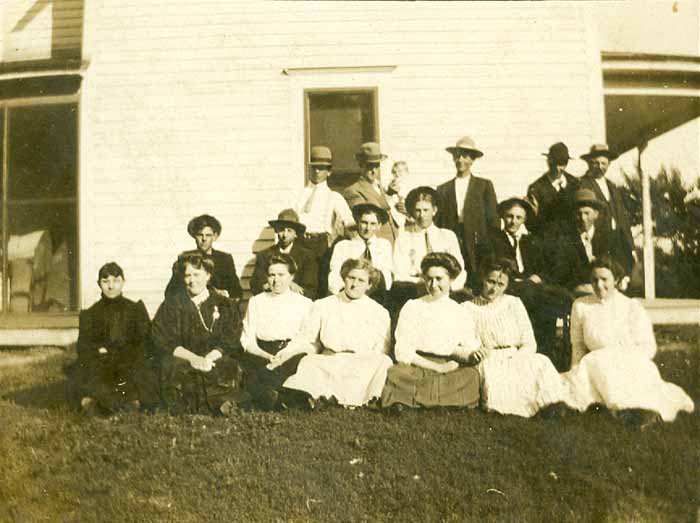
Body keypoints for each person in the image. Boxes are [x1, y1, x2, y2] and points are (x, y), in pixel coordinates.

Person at [564, 256, 694, 425]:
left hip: (630, 360)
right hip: (595, 362)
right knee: (598, 379)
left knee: (642, 386)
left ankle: (643, 412)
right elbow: (579, 346)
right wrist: (575, 369)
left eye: (604, 279)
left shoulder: (631, 306)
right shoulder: (581, 306)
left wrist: (628, 360)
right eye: (594, 280)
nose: (598, 285)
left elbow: (648, 346)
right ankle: (628, 411)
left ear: (616, 280)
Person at [268, 258, 392, 407]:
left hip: (361, 363)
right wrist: (286, 354)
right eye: (351, 278)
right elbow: (308, 339)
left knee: (383, 362)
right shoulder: (323, 305)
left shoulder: (378, 312)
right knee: (309, 362)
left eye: (361, 280)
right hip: (331, 361)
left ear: (369, 285)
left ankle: (368, 398)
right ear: (343, 278)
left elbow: (382, 348)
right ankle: (305, 397)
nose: (354, 284)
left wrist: (364, 359)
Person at [463, 258, 573, 417]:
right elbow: (468, 341)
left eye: (500, 285)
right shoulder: (468, 308)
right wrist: (476, 352)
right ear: (482, 278)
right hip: (490, 358)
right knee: (498, 378)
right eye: (490, 281)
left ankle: (552, 405)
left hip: (517, 355)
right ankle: (525, 407)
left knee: (541, 361)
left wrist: (517, 359)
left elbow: (529, 341)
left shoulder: (513, 303)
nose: (494, 289)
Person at [381, 252, 481, 409]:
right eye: (429, 278)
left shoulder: (460, 311)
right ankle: (445, 400)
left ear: (451, 279)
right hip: (417, 364)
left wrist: (472, 355)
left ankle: (412, 398)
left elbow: (469, 346)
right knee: (396, 374)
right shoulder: (412, 306)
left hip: (449, 365)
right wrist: (436, 368)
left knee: (471, 376)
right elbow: (403, 351)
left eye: (439, 279)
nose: (433, 285)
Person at [480, 197, 571, 365]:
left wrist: (538, 276)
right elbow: (493, 265)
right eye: (509, 216)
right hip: (508, 285)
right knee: (531, 295)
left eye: (518, 217)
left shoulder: (531, 240)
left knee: (551, 299)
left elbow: (545, 265)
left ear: (524, 220)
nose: (513, 221)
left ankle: (544, 351)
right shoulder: (494, 238)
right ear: (503, 217)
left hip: (532, 286)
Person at [153, 251, 244, 415]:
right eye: (187, 275)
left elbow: (230, 338)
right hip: (184, 357)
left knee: (225, 367)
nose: (192, 280)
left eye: (197, 274)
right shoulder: (172, 305)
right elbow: (164, 340)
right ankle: (197, 406)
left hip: (214, 357)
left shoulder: (224, 304)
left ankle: (221, 404)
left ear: (208, 275)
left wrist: (208, 358)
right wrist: (194, 358)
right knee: (175, 369)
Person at [66, 262, 157, 414]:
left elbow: (145, 341)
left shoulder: (135, 309)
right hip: (103, 362)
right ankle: (104, 402)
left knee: (144, 370)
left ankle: (128, 401)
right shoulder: (90, 314)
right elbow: (84, 346)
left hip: (130, 361)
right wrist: (99, 351)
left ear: (123, 282)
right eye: (105, 281)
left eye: (116, 281)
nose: (111, 286)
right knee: (84, 371)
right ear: (99, 284)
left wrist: (126, 353)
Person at [240, 253, 313, 410]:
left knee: (270, 375)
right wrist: (265, 355)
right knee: (252, 372)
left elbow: (306, 338)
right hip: (262, 351)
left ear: (291, 276)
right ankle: (289, 399)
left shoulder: (304, 303)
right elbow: (247, 339)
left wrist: (285, 355)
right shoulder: (256, 302)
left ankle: (264, 397)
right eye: (272, 275)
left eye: (281, 274)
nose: (276, 280)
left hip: (291, 352)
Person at [391, 186, 468, 313]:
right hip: (415, 293)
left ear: (434, 210)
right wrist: (422, 283)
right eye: (418, 210)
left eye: (426, 210)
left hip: (446, 293)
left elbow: (460, 270)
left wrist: (449, 288)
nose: (422, 215)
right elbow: (399, 273)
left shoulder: (447, 236)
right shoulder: (404, 237)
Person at [435, 136, 499, 285]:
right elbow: (438, 220)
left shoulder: (484, 186)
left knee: (477, 277)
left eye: (465, 156)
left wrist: (490, 244)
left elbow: (493, 219)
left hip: (478, 240)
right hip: (453, 237)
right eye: (457, 156)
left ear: (472, 160)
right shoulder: (443, 189)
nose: (460, 160)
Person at [294, 146, 355, 296]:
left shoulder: (334, 196)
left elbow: (350, 223)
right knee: (300, 284)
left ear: (329, 172)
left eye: (321, 169)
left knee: (319, 284)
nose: (316, 172)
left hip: (320, 245)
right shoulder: (299, 194)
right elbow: (291, 218)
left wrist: (339, 239)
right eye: (314, 168)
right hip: (300, 242)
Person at [550, 188, 632, 297]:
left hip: (608, 293)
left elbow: (623, 264)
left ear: (596, 214)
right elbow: (562, 273)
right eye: (579, 214)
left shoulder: (610, 237)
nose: (583, 218)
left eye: (587, 213)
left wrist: (622, 279)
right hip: (576, 294)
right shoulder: (564, 241)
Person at [579, 144, 635, 269]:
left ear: (609, 164)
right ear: (589, 163)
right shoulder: (584, 184)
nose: (600, 167)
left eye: (604, 163)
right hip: (597, 241)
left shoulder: (613, 187)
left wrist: (631, 247)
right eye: (596, 163)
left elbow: (622, 218)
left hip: (617, 242)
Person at [164, 214, 242, 301]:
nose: (204, 239)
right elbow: (171, 292)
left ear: (215, 236)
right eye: (200, 235)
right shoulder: (185, 259)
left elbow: (237, 291)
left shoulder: (224, 260)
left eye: (208, 235)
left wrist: (225, 293)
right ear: (194, 236)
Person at [328, 203, 393, 302]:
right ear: (357, 223)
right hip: (348, 293)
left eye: (373, 224)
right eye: (364, 222)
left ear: (379, 226)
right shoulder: (344, 246)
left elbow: (387, 274)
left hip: (376, 295)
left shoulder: (384, 245)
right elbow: (335, 273)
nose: (367, 228)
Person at [250, 209, 318, 299]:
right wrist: (284, 284)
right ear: (276, 231)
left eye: (289, 230)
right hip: (271, 302)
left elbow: (311, 290)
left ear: (296, 234)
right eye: (281, 230)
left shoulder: (307, 257)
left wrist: (297, 289)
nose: (285, 235)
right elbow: (256, 286)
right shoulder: (264, 256)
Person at [342, 142, 398, 243]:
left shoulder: (380, 187)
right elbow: (368, 213)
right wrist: (389, 196)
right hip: (374, 242)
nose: (373, 170)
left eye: (376, 166)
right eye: (369, 166)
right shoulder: (353, 190)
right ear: (361, 165)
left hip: (393, 239)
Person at [526, 142, 580, 241]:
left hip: (572, 241)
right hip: (548, 242)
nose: (558, 168)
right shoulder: (536, 188)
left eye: (562, 164)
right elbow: (531, 223)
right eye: (555, 163)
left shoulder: (575, 184)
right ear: (549, 161)